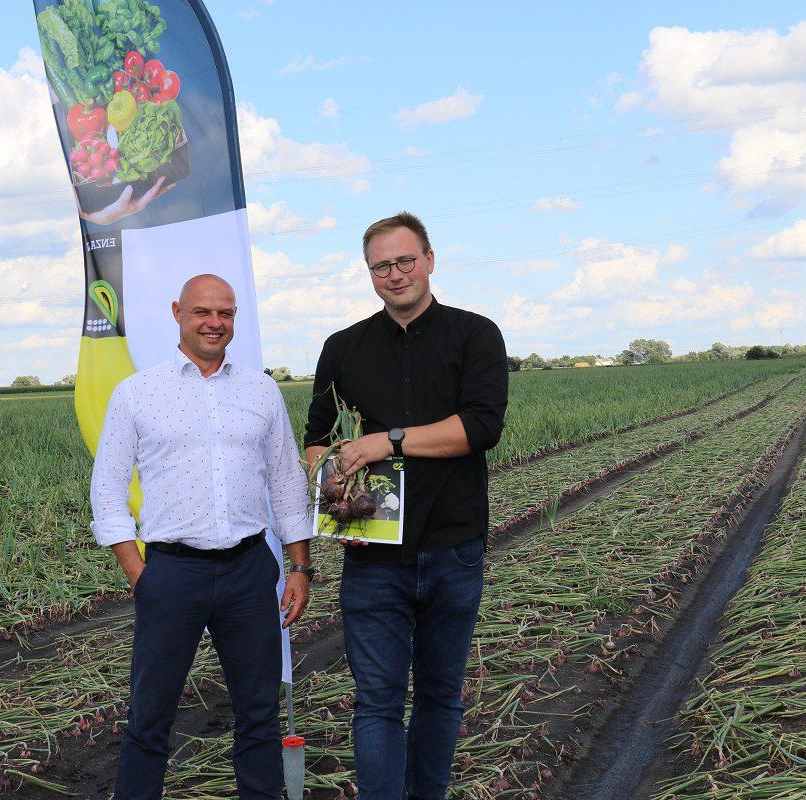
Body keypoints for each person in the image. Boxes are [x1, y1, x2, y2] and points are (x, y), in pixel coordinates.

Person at [304, 212, 508, 799]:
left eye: (405, 261)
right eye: (381, 267)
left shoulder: (475, 335)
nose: (395, 275)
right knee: (377, 702)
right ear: (369, 273)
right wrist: (333, 490)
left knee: (441, 696)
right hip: (372, 558)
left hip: (453, 549)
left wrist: (385, 442)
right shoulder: (342, 348)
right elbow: (316, 441)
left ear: (430, 260)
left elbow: (480, 428)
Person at [91, 273, 314, 800]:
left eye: (226, 313)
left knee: (258, 712)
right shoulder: (138, 393)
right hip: (172, 573)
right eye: (203, 312)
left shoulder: (261, 390)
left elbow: (286, 480)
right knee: (150, 714)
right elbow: (107, 489)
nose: (215, 323)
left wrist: (300, 567)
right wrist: (139, 574)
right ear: (178, 313)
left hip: (249, 570)